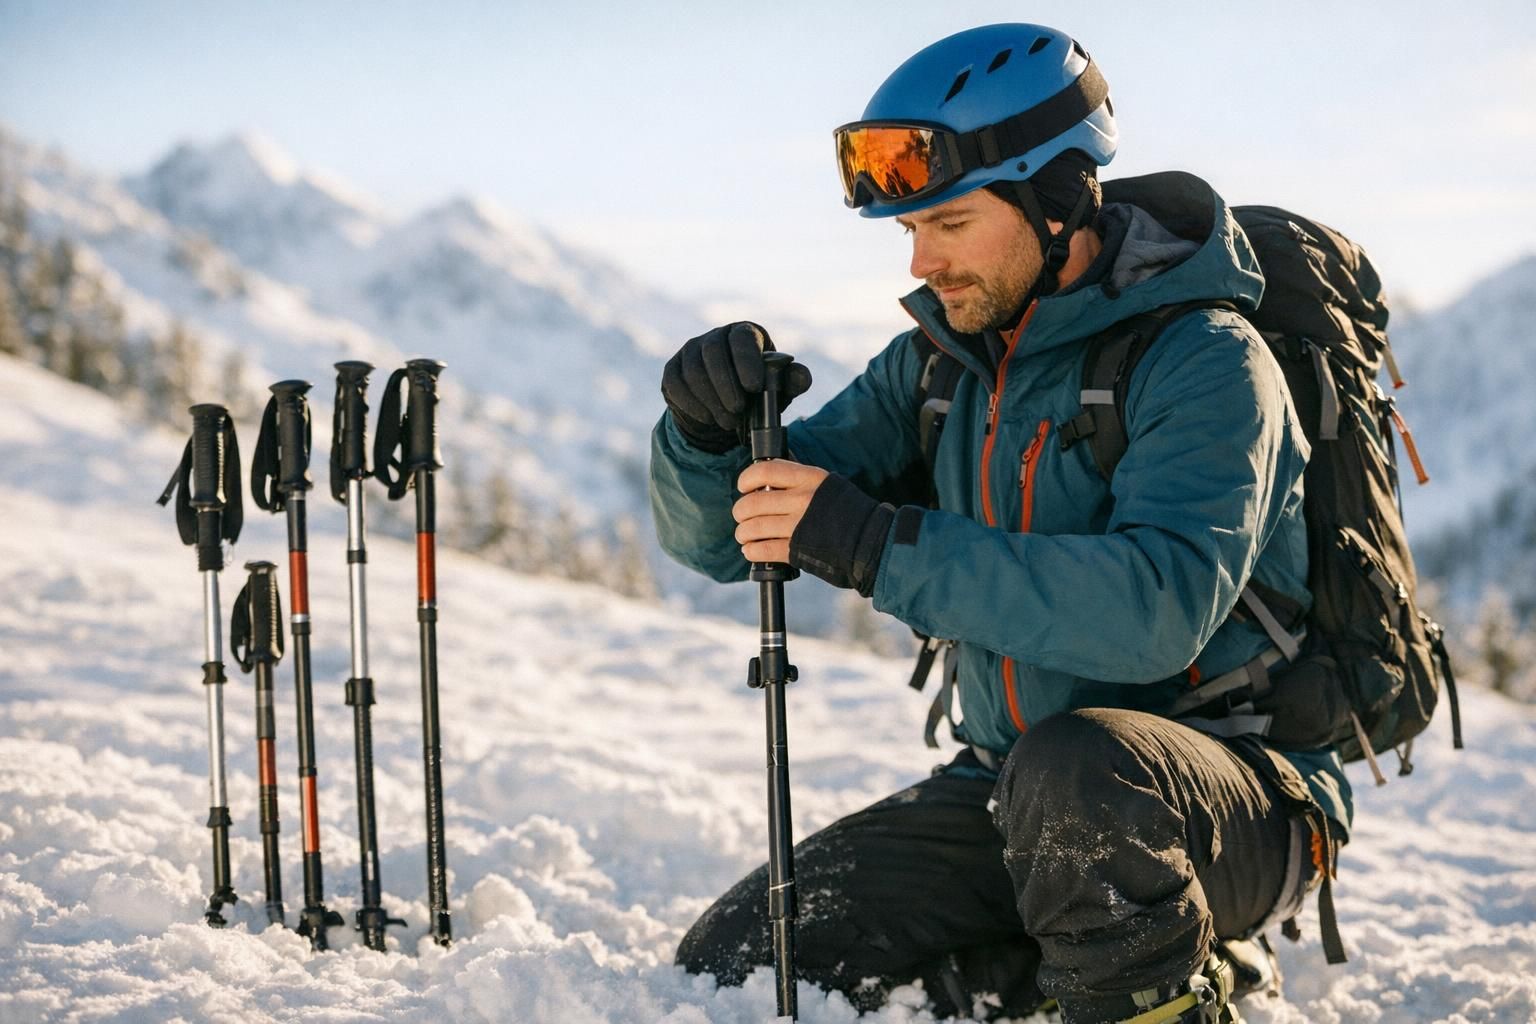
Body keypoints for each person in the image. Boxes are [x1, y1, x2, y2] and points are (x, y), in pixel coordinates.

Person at [650, 23, 1351, 1024]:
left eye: (951, 222)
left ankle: (1177, 980)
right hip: (1007, 787)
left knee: (1080, 770)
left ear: (1058, 197)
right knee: (747, 960)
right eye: (909, 231)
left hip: (1225, 795)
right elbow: (724, 539)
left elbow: (1155, 612)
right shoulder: (945, 363)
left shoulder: (1205, 359)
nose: (924, 261)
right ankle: (1081, 970)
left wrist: (874, 543)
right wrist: (703, 437)